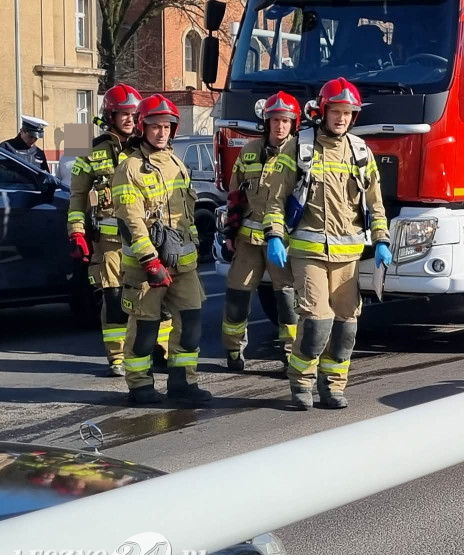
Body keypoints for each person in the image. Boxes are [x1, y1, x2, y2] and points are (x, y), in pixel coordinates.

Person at [265, 78, 391, 410]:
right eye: (335, 111)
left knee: (347, 325)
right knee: (318, 321)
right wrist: (275, 236)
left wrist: (381, 241)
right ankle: (301, 383)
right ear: (322, 112)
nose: (341, 118)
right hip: (308, 252)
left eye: (347, 113)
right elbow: (275, 200)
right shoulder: (299, 147)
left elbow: (376, 204)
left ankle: (333, 385)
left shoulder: (361, 152)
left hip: (348, 255)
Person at [112, 94, 210, 406]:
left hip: (184, 265)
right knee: (145, 330)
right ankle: (139, 386)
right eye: (155, 126)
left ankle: (183, 383)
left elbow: (187, 217)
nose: (161, 132)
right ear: (142, 127)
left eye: (167, 126)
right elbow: (132, 220)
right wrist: (150, 262)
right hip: (146, 268)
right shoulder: (129, 169)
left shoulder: (178, 164)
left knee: (191, 325)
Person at [67, 84, 146, 376]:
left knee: (149, 297)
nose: (128, 119)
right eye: (122, 114)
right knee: (113, 299)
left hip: (143, 240)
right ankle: (116, 357)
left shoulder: (146, 148)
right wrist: (76, 230)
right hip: (109, 242)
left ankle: (157, 352)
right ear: (109, 115)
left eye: (133, 114)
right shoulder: (89, 149)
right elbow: (76, 197)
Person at [221, 91, 301, 371]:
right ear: (266, 122)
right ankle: (233, 352)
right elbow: (235, 196)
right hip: (247, 240)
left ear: (294, 123)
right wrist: (229, 235)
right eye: (274, 120)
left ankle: (290, 355)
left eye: (285, 120)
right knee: (237, 298)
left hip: (285, 243)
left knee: (287, 301)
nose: (279, 126)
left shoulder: (302, 153)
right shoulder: (249, 151)